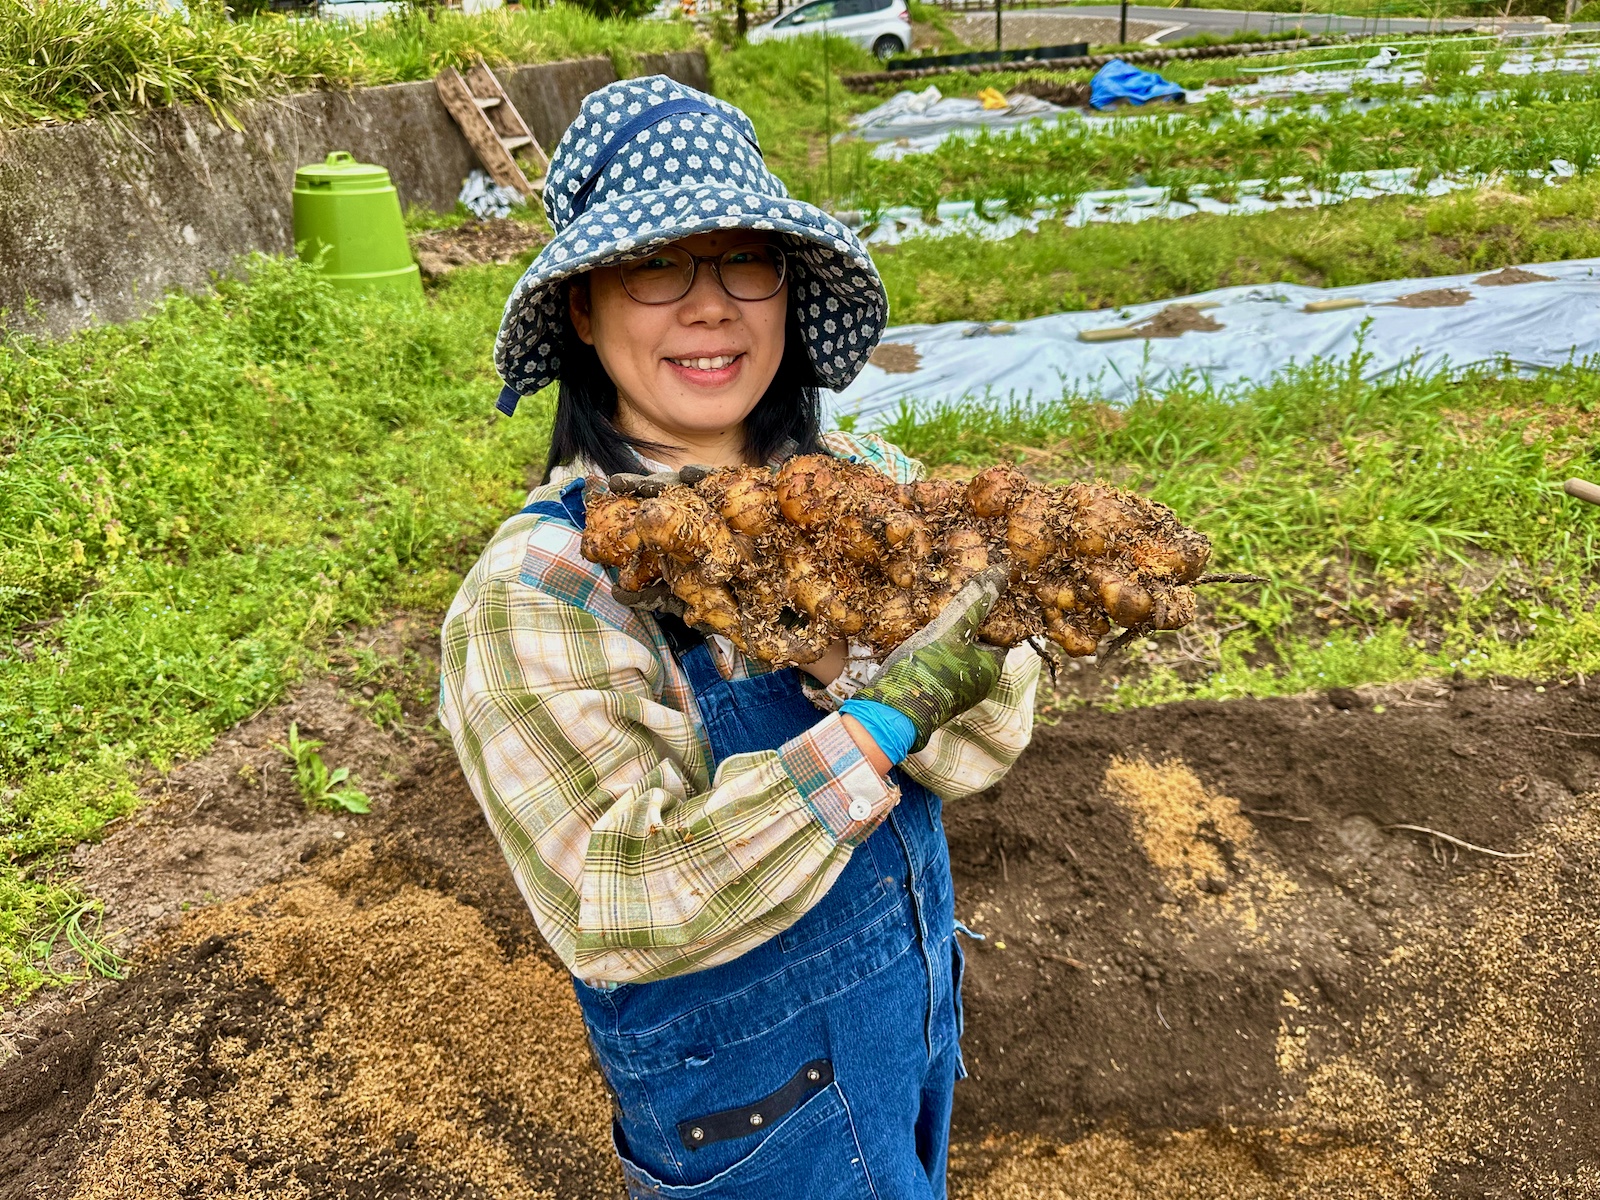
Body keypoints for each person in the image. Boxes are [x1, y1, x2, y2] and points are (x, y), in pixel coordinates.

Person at [439, 77, 1040, 1200]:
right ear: (583, 306)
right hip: (753, 1121)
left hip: (905, 1011)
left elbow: (989, 734)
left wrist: (844, 654)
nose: (710, 306)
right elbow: (611, 904)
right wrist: (873, 723)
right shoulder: (545, 593)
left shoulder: (872, 488)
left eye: (744, 261)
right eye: (657, 266)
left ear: (785, 287)